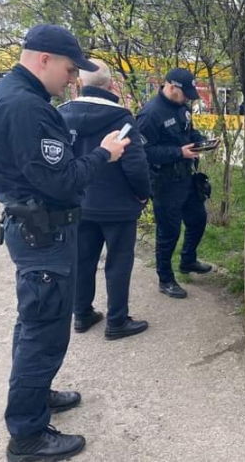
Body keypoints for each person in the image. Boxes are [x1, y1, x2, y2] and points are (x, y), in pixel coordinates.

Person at [0, 24, 130, 461]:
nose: (72, 78)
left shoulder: (3, 94)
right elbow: (62, 181)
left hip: (30, 226)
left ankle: (35, 396)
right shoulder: (27, 107)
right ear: (44, 59)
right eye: (69, 68)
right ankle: (27, 436)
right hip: (42, 233)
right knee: (43, 333)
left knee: (34, 324)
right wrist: (104, 153)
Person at [58, 58, 150, 341]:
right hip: (118, 206)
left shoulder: (61, 113)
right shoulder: (122, 119)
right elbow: (135, 165)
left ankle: (81, 313)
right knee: (118, 263)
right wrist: (143, 194)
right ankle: (117, 321)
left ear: (79, 83)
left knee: (83, 261)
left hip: (79, 203)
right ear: (111, 85)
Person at [136, 68, 213, 299]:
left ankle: (187, 260)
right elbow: (143, 152)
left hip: (186, 178)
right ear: (171, 86)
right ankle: (165, 279)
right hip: (164, 182)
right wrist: (178, 152)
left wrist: (202, 142)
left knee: (198, 219)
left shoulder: (182, 107)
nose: (188, 97)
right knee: (168, 232)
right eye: (185, 93)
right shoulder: (150, 114)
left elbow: (189, 132)